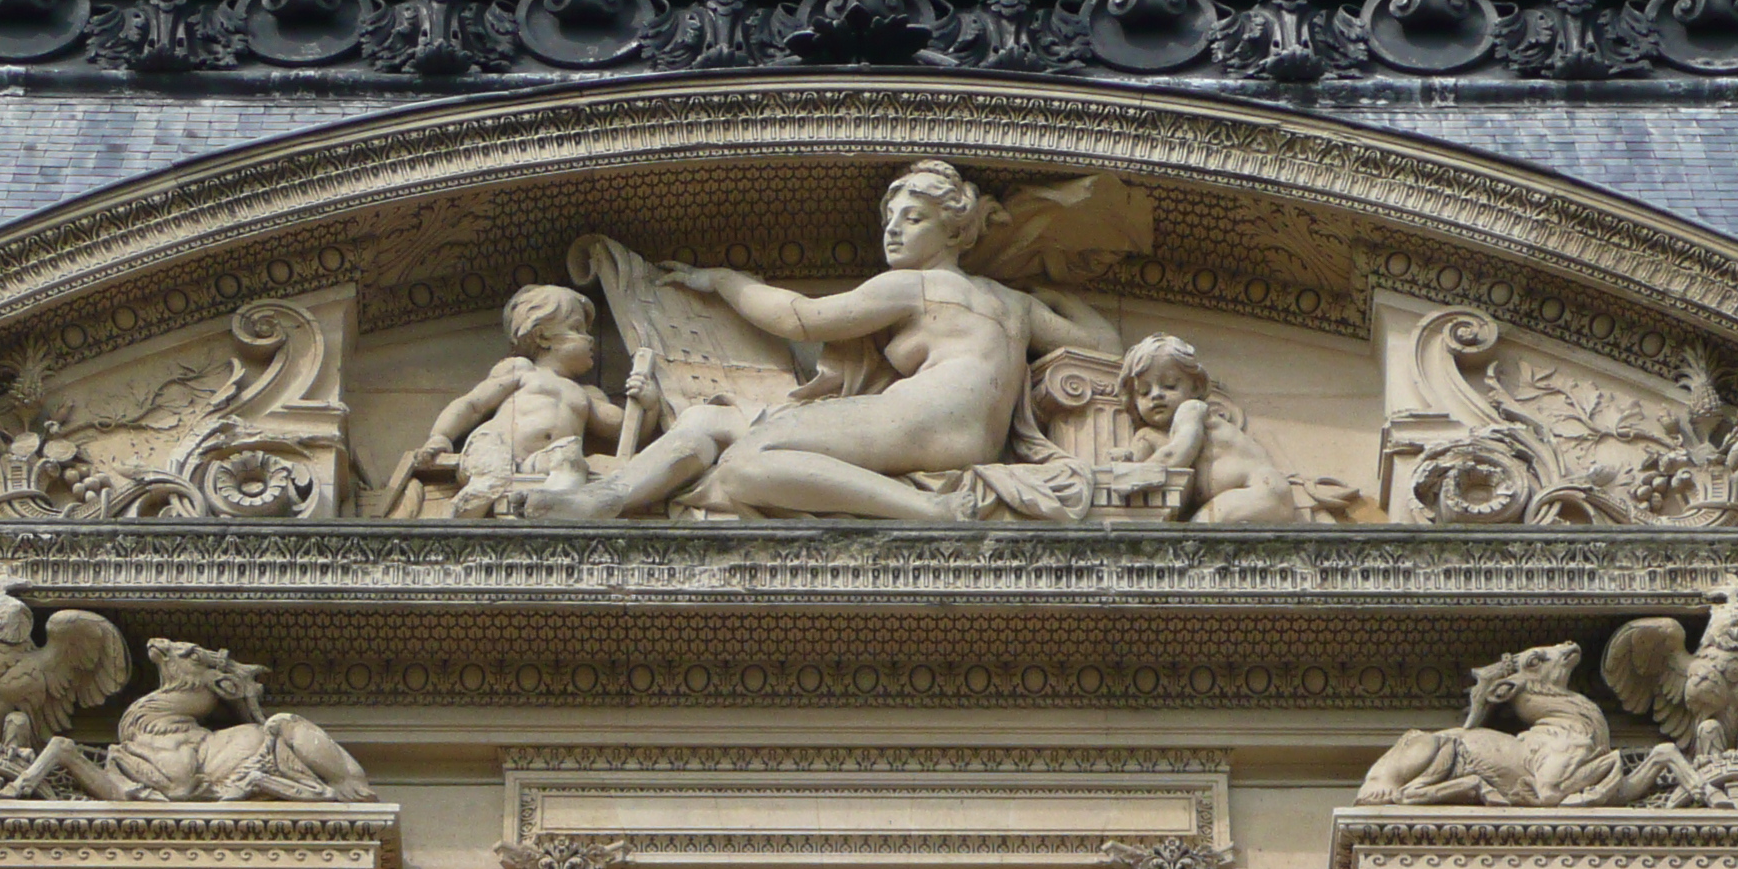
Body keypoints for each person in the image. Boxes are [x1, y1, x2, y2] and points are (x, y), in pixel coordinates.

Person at [523, 160, 1119, 523]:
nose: (893, 231)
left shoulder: (916, 286)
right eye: (889, 220)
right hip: (952, 432)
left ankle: (934, 511)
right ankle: (611, 495)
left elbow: (802, 319)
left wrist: (724, 281)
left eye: (913, 219)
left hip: (919, 422)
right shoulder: (1013, 304)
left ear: (958, 229)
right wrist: (1053, 296)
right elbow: (1102, 343)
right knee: (711, 419)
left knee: (748, 463)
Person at [387, 285, 654, 518]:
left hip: (540, 461)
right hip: (497, 448)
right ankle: (456, 528)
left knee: (572, 459)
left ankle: (551, 514)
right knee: (491, 479)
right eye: (576, 329)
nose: (589, 338)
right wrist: (441, 437)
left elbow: (627, 429)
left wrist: (649, 403)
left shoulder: (587, 395)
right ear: (542, 337)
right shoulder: (521, 370)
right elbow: (472, 405)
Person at [1107, 333, 1377, 524]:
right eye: (1144, 391)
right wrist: (1129, 458)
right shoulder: (1151, 435)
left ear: (1196, 388)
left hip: (1263, 491)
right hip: (1254, 495)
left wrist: (1130, 478)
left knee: (1196, 535)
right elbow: (1147, 450)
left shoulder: (1192, 411)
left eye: (1169, 386)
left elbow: (1179, 453)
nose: (1156, 395)